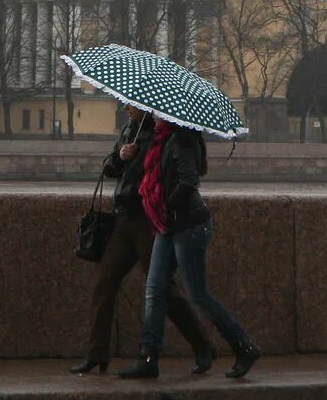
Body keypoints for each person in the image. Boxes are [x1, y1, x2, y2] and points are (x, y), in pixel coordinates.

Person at [69, 105, 219, 375]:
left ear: (146, 108)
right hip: (123, 219)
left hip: (147, 221)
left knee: (164, 291)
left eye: (131, 106)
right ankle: (96, 353)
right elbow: (109, 169)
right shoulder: (130, 130)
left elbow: (167, 175)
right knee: (104, 283)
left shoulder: (163, 134)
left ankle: (202, 345)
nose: (126, 108)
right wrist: (120, 156)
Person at [118, 119, 260, 380]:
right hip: (169, 225)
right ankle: (148, 358)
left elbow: (188, 181)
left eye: (158, 110)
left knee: (198, 295)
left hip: (189, 226)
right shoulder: (160, 139)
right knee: (155, 290)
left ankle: (245, 346)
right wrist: (127, 155)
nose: (154, 114)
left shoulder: (182, 139)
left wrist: (166, 206)